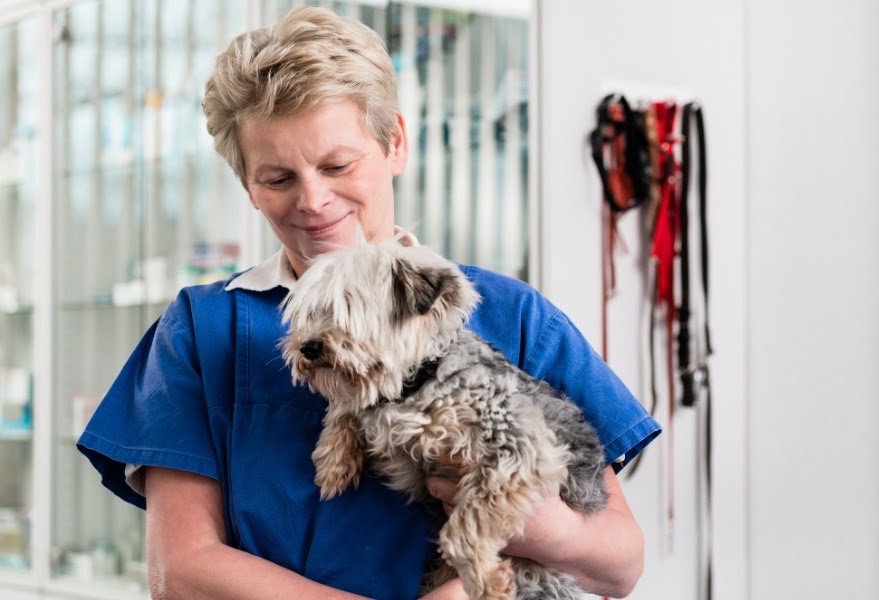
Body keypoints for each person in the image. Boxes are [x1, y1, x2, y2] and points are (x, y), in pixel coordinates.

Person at [77, 7, 660, 599]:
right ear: (248, 186)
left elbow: (621, 563)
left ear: (395, 143)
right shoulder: (203, 329)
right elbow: (180, 573)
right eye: (278, 178)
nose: (314, 200)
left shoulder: (514, 316)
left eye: (338, 164)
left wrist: (535, 527)